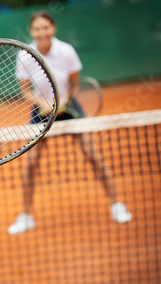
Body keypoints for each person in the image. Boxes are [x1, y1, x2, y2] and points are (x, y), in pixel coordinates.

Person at [7, 10, 131, 235]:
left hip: (69, 107)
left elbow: (75, 83)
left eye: (46, 27)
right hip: (40, 111)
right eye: (37, 28)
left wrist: (63, 100)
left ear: (53, 28)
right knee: (30, 164)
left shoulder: (66, 51)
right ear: (31, 31)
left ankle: (116, 204)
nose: (42, 32)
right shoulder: (25, 55)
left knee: (92, 154)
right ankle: (26, 216)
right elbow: (25, 91)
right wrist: (43, 103)